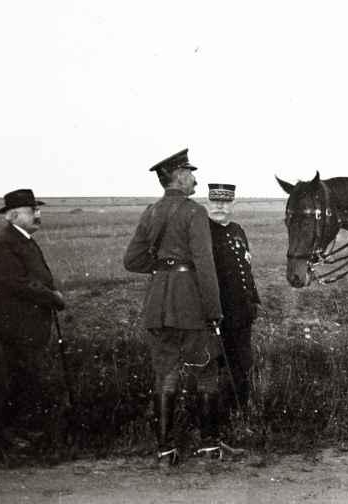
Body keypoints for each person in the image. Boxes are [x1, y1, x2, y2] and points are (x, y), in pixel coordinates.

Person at [123, 149, 223, 466]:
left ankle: (165, 452)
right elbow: (205, 265)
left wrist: (164, 266)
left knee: (165, 375)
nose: (196, 178)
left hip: (157, 304)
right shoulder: (194, 212)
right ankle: (208, 446)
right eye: (191, 173)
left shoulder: (151, 211)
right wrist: (214, 311)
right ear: (180, 176)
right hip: (190, 304)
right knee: (205, 372)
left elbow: (132, 260)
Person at [0, 189, 66, 450]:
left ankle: (23, 433)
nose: (38, 215)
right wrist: (52, 297)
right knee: (20, 380)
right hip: (17, 327)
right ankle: (13, 437)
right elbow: (18, 283)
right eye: (33, 211)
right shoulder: (6, 243)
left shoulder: (21, 239)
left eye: (38, 210)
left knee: (26, 379)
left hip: (27, 326)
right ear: (14, 215)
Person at [206, 183, 260, 422]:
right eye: (215, 201)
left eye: (225, 202)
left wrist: (252, 302)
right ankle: (220, 421)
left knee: (242, 365)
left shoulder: (238, 229)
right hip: (218, 313)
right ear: (208, 203)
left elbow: (245, 268)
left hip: (242, 312)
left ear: (233, 204)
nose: (220, 206)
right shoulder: (203, 232)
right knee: (219, 368)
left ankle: (241, 416)